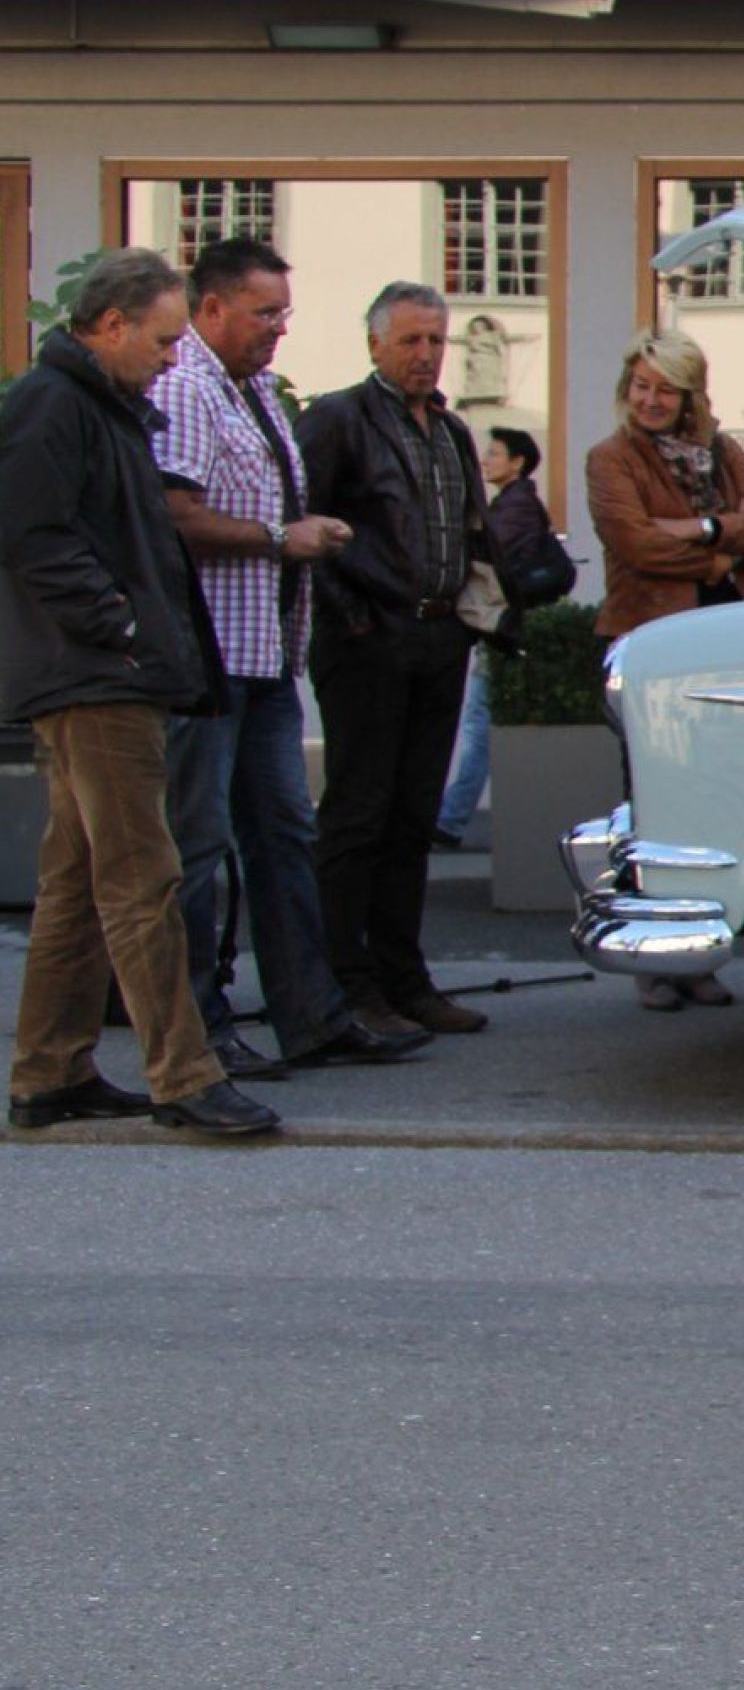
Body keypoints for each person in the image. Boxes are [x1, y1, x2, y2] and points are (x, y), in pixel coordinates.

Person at [0, 249, 277, 1136]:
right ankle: (184, 1074)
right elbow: (34, 536)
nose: (172, 355)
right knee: (140, 878)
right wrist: (118, 627)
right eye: (163, 339)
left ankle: (50, 1072)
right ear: (111, 325)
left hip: (95, 671)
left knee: (81, 883)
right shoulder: (58, 405)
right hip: (97, 677)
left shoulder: (86, 402)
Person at [155, 237, 427, 1078]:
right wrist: (285, 538)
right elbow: (176, 515)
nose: (278, 329)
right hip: (208, 662)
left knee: (282, 836)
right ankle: (199, 1031)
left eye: (284, 315)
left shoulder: (259, 391)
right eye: (263, 313)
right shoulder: (189, 387)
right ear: (211, 310)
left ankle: (310, 1015)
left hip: (266, 657)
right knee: (198, 845)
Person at [297, 282, 505, 1041]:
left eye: (435, 341)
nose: (425, 355)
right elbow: (302, 528)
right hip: (368, 638)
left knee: (413, 817)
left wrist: (475, 612)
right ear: (376, 345)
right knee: (357, 815)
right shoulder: (337, 420)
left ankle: (403, 978)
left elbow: (466, 531)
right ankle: (347, 985)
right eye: (411, 341)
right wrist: (350, 622)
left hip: (436, 636)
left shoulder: (449, 431)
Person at [585, 330, 744, 1011]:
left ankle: (700, 956)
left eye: (665, 387)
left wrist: (700, 531)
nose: (650, 399)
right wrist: (722, 550)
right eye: (642, 385)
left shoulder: (723, 453)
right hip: (651, 645)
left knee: (712, 799)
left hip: (723, 647)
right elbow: (635, 544)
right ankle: (653, 960)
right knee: (651, 800)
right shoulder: (609, 458)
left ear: (690, 393)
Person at [436, 427, 555, 848]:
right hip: (504, 624)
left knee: (479, 721)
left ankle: (450, 820)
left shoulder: (517, 506)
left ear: (518, 462)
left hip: (504, 625)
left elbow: (492, 555)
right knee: (481, 719)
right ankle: (451, 816)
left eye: (495, 453)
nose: (486, 460)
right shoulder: (511, 503)